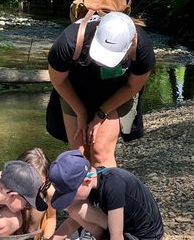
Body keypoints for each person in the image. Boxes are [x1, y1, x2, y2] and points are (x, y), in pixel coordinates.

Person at [34, 149, 175, 240]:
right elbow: (73, 220)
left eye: (71, 194)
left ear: (86, 181)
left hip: (141, 238)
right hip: (121, 228)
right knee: (75, 212)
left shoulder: (114, 185)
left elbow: (116, 233)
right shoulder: (93, 179)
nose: (71, 198)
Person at [46, 11, 155, 167]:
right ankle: (85, 190)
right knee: (79, 155)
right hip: (75, 92)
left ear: (131, 43)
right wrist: (81, 112)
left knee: (100, 152)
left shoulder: (142, 49)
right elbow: (59, 81)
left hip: (117, 93)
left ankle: (109, 189)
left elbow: (132, 86)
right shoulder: (69, 42)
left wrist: (101, 113)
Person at [0, 148, 57, 240]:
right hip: (8, 225)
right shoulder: (0, 181)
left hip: (32, 230)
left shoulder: (49, 190)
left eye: (40, 184)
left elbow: (51, 218)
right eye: (32, 182)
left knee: (39, 201)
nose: (36, 187)